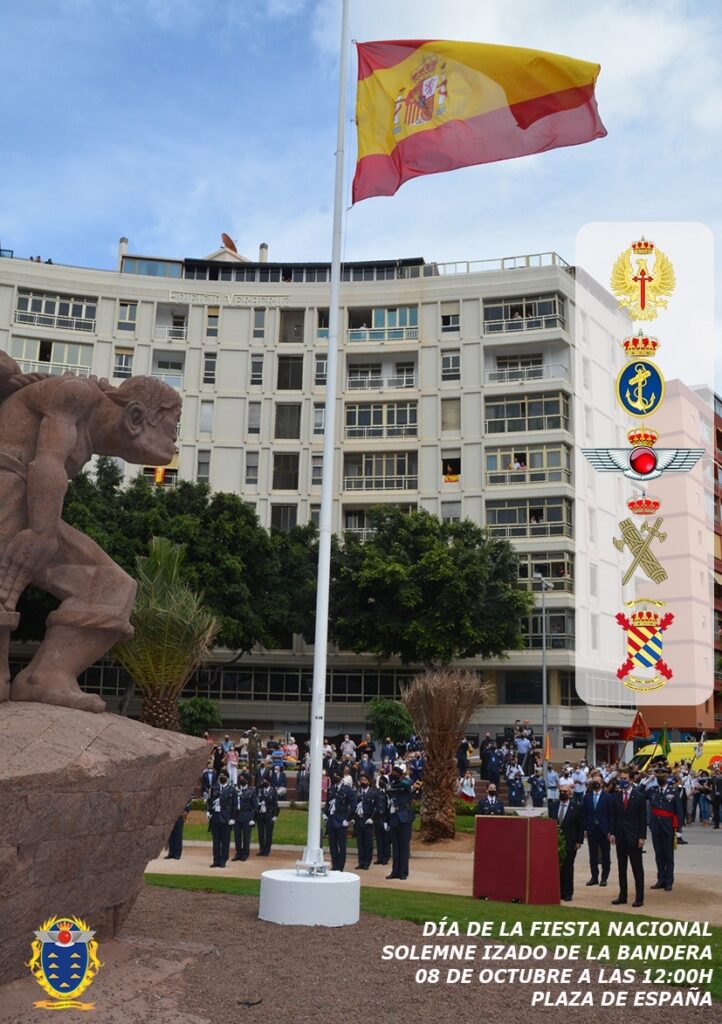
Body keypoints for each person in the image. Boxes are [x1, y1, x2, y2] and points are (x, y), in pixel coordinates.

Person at [609, 768, 647, 907]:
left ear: (631, 780)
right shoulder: (617, 796)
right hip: (620, 837)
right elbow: (614, 816)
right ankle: (622, 895)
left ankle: (639, 898)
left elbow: (643, 819)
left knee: (637, 869)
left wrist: (642, 837)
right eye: (621, 778)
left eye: (625, 779)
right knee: (621, 868)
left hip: (634, 837)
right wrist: (612, 833)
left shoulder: (639, 796)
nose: (622, 781)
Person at [646, 771, 681, 891]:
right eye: (658, 778)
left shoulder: (673, 791)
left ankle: (669, 880)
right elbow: (640, 794)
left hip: (668, 826)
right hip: (656, 826)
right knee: (659, 855)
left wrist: (679, 828)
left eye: (663, 778)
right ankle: (660, 879)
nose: (661, 780)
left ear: (666, 779)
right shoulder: (653, 790)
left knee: (668, 855)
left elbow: (679, 810)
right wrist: (646, 782)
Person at [553, 785, 584, 901]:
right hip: (555, 841)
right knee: (558, 868)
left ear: (570, 793)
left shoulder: (576, 807)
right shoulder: (554, 806)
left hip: (570, 841)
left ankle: (568, 892)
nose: (562, 793)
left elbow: (580, 825)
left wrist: (579, 841)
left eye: (565, 791)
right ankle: (559, 891)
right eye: (561, 791)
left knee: (568, 867)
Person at [583, 770, 612, 887]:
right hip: (591, 829)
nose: (595, 784)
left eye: (597, 782)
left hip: (604, 829)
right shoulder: (587, 797)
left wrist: (610, 831)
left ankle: (604, 878)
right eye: (593, 782)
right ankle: (594, 876)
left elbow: (611, 815)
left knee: (605, 854)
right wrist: (585, 828)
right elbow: (584, 814)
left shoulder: (608, 797)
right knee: (593, 854)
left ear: (602, 783)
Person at [386, 762, 414, 880]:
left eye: (395, 774)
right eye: (392, 774)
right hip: (394, 817)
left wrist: (398, 781)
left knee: (403, 846)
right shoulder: (392, 784)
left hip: (404, 817)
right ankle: (395, 870)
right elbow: (388, 791)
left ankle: (403, 871)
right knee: (395, 846)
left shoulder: (406, 781)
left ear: (400, 774)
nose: (393, 775)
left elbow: (407, 786)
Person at [324, 772, 355, 871]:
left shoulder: (347, 790)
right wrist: (325, 813)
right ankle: (335, 865)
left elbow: (353, 806)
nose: (335, 777)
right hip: (332, 820)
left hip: (342, 820)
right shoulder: (332, 789)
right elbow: (328, 803)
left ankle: (340, 867)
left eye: (337, 776)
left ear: (341, 778)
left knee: (342, 846)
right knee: (332, 845)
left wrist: (348, 819)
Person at [207, 770, 235, 868]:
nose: (221, 777)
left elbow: (234, 805)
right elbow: (210, 801)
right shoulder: (214, 787)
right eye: (220, 775)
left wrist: (232, 818)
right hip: (215, 818)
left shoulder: (231, 789)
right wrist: (209, 811)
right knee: (216, 841)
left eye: (223, 775)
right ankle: (216, 860)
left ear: (227, 778)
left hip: (226, 818)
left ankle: (223, 860)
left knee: (225, 841)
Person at [232, 771, 257, 861]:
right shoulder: (236, 790)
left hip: (247, 816)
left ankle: (245, 853)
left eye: (242, 779)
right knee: (237, 836)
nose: (241, 780)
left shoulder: (251, 791)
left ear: (247, 780)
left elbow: (255, 806)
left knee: (246, 837)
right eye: (240, 779)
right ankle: (238, 853)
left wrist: (253, 818)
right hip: (237, 816)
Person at [354, 774, 378, 870]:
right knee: (360, 842)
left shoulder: (373, 793)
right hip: (359, 819)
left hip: (368, 819)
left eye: (365, 780)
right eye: (361, 780)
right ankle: (361, 861)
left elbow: (377, 807)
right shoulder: (358, 793)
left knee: (368, 843)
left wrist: (372, 818)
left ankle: (367, 862)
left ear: (368, 781)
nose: (363, 781)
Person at [256, 775, 279, 856]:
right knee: (261, 833)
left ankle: (267, 850)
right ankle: (261, 849)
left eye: (265, 781)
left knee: (269, 833)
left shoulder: (273, 791)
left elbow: (275, 804)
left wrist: (275, 815)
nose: (264, 782)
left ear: (269, 782)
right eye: (263, 781)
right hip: (261, 814)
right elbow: (258, 801)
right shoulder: (261, 790)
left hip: (269, 814)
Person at [374, 775, 391, 865]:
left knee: (385, 840)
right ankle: (379, 857)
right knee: (379, 839)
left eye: (383, 781)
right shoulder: (376, 792)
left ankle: (386, 857)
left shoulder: (388, 793)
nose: (381, 783)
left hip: (385, 818)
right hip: (378, 818)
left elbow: (388, 807)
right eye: (380, 781)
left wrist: (387, 821)